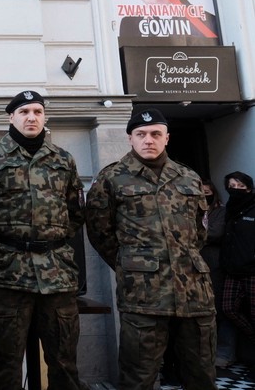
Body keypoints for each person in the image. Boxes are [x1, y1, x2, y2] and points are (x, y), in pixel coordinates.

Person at [85, 109, 216, 390]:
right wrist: (131, 264)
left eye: (156, 134)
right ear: (130, 138)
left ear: (166, 137)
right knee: (138, 375)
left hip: (194, 291)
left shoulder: (188, 177)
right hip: (143, 295)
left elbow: (199, 231)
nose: (148, 140)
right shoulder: (111, 179)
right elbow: (100, 233)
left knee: (201, 373)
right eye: (141, 134)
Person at [0, 90, 86, 390]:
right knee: (5, 362)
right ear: (11, 117)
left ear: (44, 118)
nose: (31, 117)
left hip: (56, 273)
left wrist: (49, 240)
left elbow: (75, 211)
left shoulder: (63, 159)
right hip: (8, 273)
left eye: (37, 112)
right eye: (24, 112)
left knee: (64, 360)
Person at [200, 177, 237, 368]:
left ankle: (224, 353)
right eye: (201, 193)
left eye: (208, 193)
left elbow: (215, 233)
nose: (205, 196)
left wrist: (194, 233)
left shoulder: (220, 212)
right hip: (194, 269)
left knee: (221, 310)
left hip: (215, 267)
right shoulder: (191, 212)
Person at [221, 171, 255, 349]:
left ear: (249, 188)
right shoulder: (228, 209)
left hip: (252, 271)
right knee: (228, 309)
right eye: (232, 186)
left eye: (240, 186)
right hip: (232, 270)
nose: (236, 190)